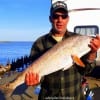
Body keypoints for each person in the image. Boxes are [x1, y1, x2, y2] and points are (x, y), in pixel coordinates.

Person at [25, 1, 100, 100]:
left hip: (74, 95)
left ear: (68, 19)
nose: (60, 20)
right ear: (50, 19)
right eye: (56, 16)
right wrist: (34, 81)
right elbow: (36, 75)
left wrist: (93, 52)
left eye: (64, 16)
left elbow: (86, 70)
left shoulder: (78, 39)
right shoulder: (39, 43)